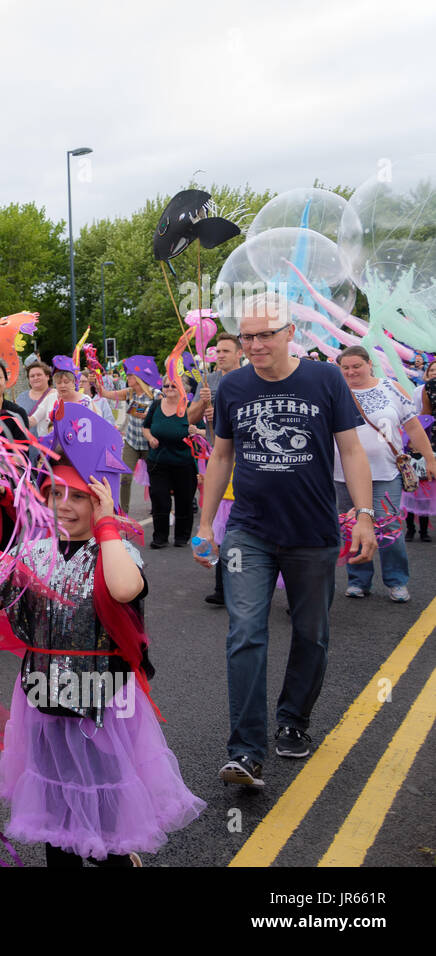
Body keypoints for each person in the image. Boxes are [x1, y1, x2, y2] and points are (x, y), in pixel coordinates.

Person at [0, 405, 203, 866]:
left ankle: (116, 853)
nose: (66, 506)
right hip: (43, 697)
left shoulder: (117, 548)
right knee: (55, 809)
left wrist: (109, 524)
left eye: (80, 497)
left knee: (106, 799)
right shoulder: (29, 553)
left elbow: (124, 587)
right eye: (57, 495)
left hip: (105, 699)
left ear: (101, 500)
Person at [195, 294, 376, 788]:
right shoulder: (231, 386)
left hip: (313, 534)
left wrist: (363, 515)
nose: (254, 344)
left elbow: (352, 451)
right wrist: (205, 523)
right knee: (245, 632)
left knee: (311, 633)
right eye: (247, 336)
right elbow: (221, 457)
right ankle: (245, 750)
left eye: (264, 335)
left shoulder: (325, 379)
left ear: (290, 332)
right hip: (249, 532)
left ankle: (293, 721)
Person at [333, 347, 436, 602]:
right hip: (343, 475)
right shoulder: (335, 391)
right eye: (345, 367)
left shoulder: (390, 388)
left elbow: (413, 425)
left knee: (389, 527)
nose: (350, 372)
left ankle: (396, 581)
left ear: (370, 364)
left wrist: (430, 458)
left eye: (356, 366)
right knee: (351, 527)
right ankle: (358, 580)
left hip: (385, 472)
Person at [187, 335, 243, 604]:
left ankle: (248, 585)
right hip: (217, 459)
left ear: (239, 353)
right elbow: (190, 417)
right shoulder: (208, 381)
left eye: (225, 351)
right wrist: (203, 402)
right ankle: (223, 587)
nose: (219, 355)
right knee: (219, 524)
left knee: (239, 524)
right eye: (217, 351)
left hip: (244, 461)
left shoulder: (251, 378)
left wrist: (219, 413)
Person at [97, 355, 161, 510]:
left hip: (150, 442)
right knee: (124, 478)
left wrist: (141, 411)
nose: (128, 378)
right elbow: (105, 394)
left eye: (130, 375)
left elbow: (160, 415)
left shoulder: (156, 394)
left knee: (156, 479)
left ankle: (160, 508)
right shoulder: (129, 392)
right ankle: (123, 512)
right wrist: (97, 380)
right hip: (132, 442)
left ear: (138, 377)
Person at [143, 380, 199, 549]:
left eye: (173, 385)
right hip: (158, 461)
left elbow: (205, 431)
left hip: (184, 462)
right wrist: (150, 438)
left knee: (184, 500)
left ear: (183, 388)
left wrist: (196, 431)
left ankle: (182, 537)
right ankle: (160, 537)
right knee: (160, 498)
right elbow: (145, 427)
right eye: (166, 386)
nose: (168, 389)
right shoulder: (156, 405)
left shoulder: (190, 407)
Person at [406, 360, 436, 540]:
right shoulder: (429, 387)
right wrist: (418, 442)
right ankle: (415, 528)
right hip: (433, 437)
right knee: (424, 483)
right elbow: (425, 415)